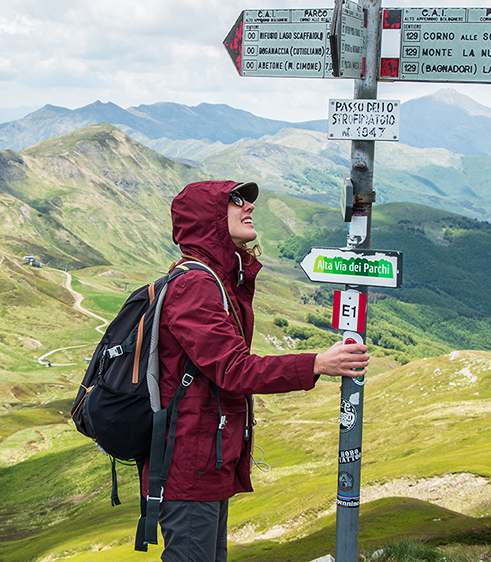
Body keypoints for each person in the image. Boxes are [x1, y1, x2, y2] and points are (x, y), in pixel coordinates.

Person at [143, 180, 369, 562]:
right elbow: (233, 369)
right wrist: (316, 364)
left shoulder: (218, 279)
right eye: (235, 201)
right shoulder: (197, 285)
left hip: (205, 462)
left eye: (247, 200)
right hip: (190, 466)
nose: (248, 206)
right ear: (208, 219)